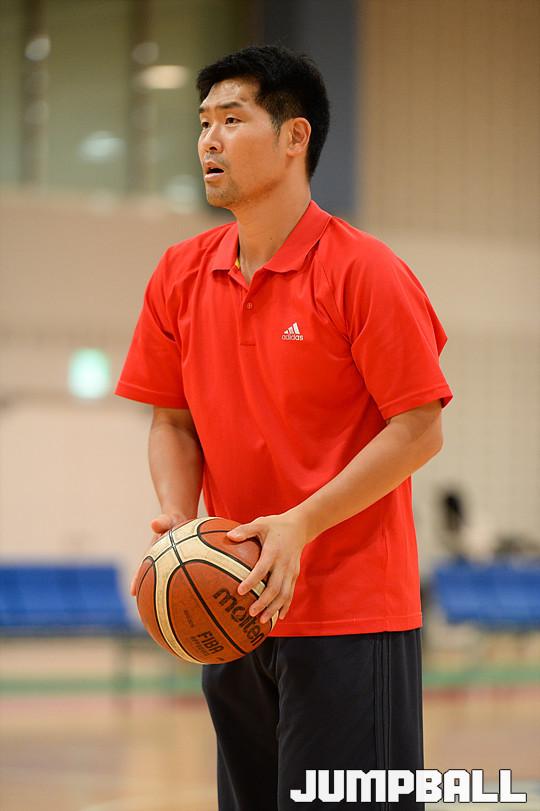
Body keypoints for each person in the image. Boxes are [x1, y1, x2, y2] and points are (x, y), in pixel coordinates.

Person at [115, 45, 452, 810]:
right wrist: (178, 523)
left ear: (295, 136)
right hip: (232, 609)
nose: (208, 140)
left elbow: (419, 428)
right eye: (203, 122)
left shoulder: (365, 271)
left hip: (350, 614)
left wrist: (301, 523)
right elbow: (172, 421)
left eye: (232, 120)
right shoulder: (178, 273)